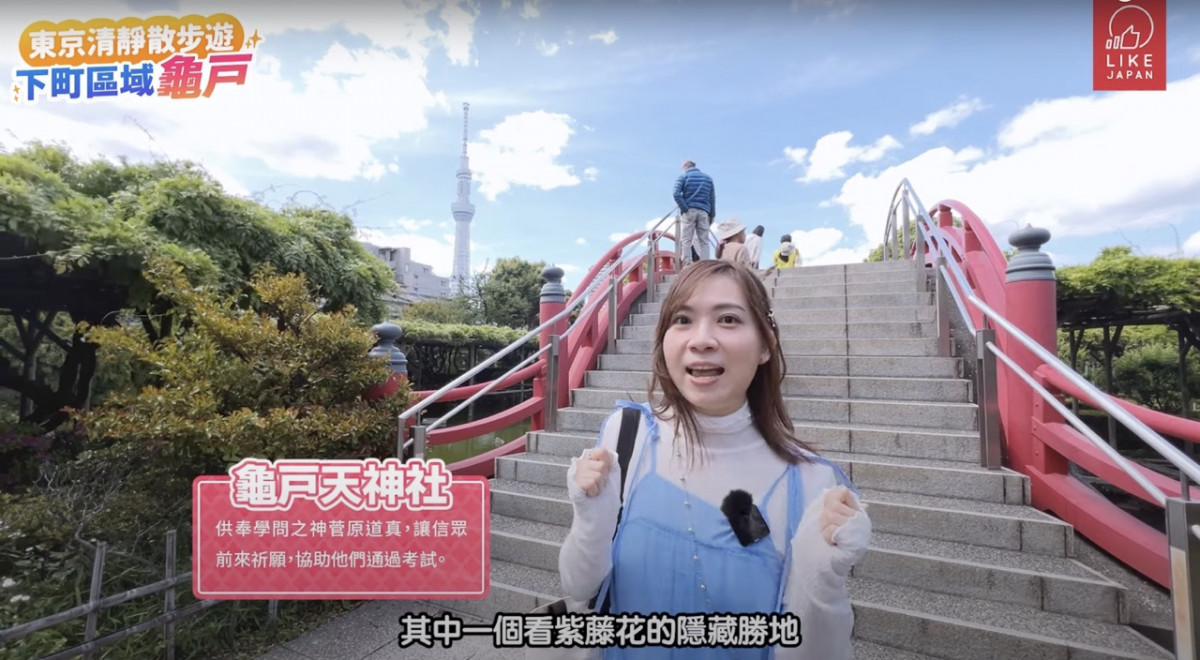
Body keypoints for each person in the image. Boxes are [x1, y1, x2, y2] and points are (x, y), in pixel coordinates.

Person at [558, 260, 871, 659]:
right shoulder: (626, 435)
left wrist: (821, 575)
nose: (701, 339)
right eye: (683, 319)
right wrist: (591, 520)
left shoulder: (811, 483)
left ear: (765, 345)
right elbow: (578, 591)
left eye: (727, 319)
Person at [672, 160, 715, 265]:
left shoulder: (683, 177)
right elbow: (712, 198)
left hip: (689, 210)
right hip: (704, 211)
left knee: (686, 239)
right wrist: (712, 214)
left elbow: (676, 193)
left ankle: (687, 263)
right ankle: (705, 264)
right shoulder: (708, 179)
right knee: (704, 240)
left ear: (685, 167)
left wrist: (684, 208)